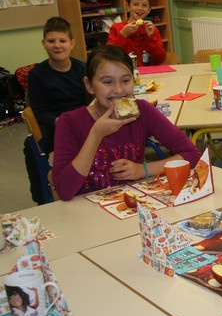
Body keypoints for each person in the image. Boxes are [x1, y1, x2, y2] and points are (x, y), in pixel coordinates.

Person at [52, 45, 200, 200]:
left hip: (132, 203)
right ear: (89, 85)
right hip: (86, 208)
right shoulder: (69, 122)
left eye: (125, 80)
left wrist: (143, 170)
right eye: (107, 82)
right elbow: (64, 190)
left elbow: (193, 155)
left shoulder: (142, 111)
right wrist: (96, 135)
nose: (119, 90)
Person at [26, 17, 89, 153]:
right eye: (51, 41)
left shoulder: (83, 69)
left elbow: (91, 101)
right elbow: (40, 112)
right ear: (44, 44)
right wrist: (59, 121)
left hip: (84, 120)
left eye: (62, 41)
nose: (57, 45)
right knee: (31, 146)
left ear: (72, 44)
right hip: (55, 125)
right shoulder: (36, 75)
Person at [107, 0, 166, 66]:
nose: (140, 8)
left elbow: (160, 59)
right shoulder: (116, 28)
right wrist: (123, 34)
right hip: (124, 70)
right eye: (135, 4)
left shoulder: (152, 29)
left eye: (144, 5)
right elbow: (110, 57)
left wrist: (152, 37)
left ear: (149, 9)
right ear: (128, 6)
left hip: (148, 71)